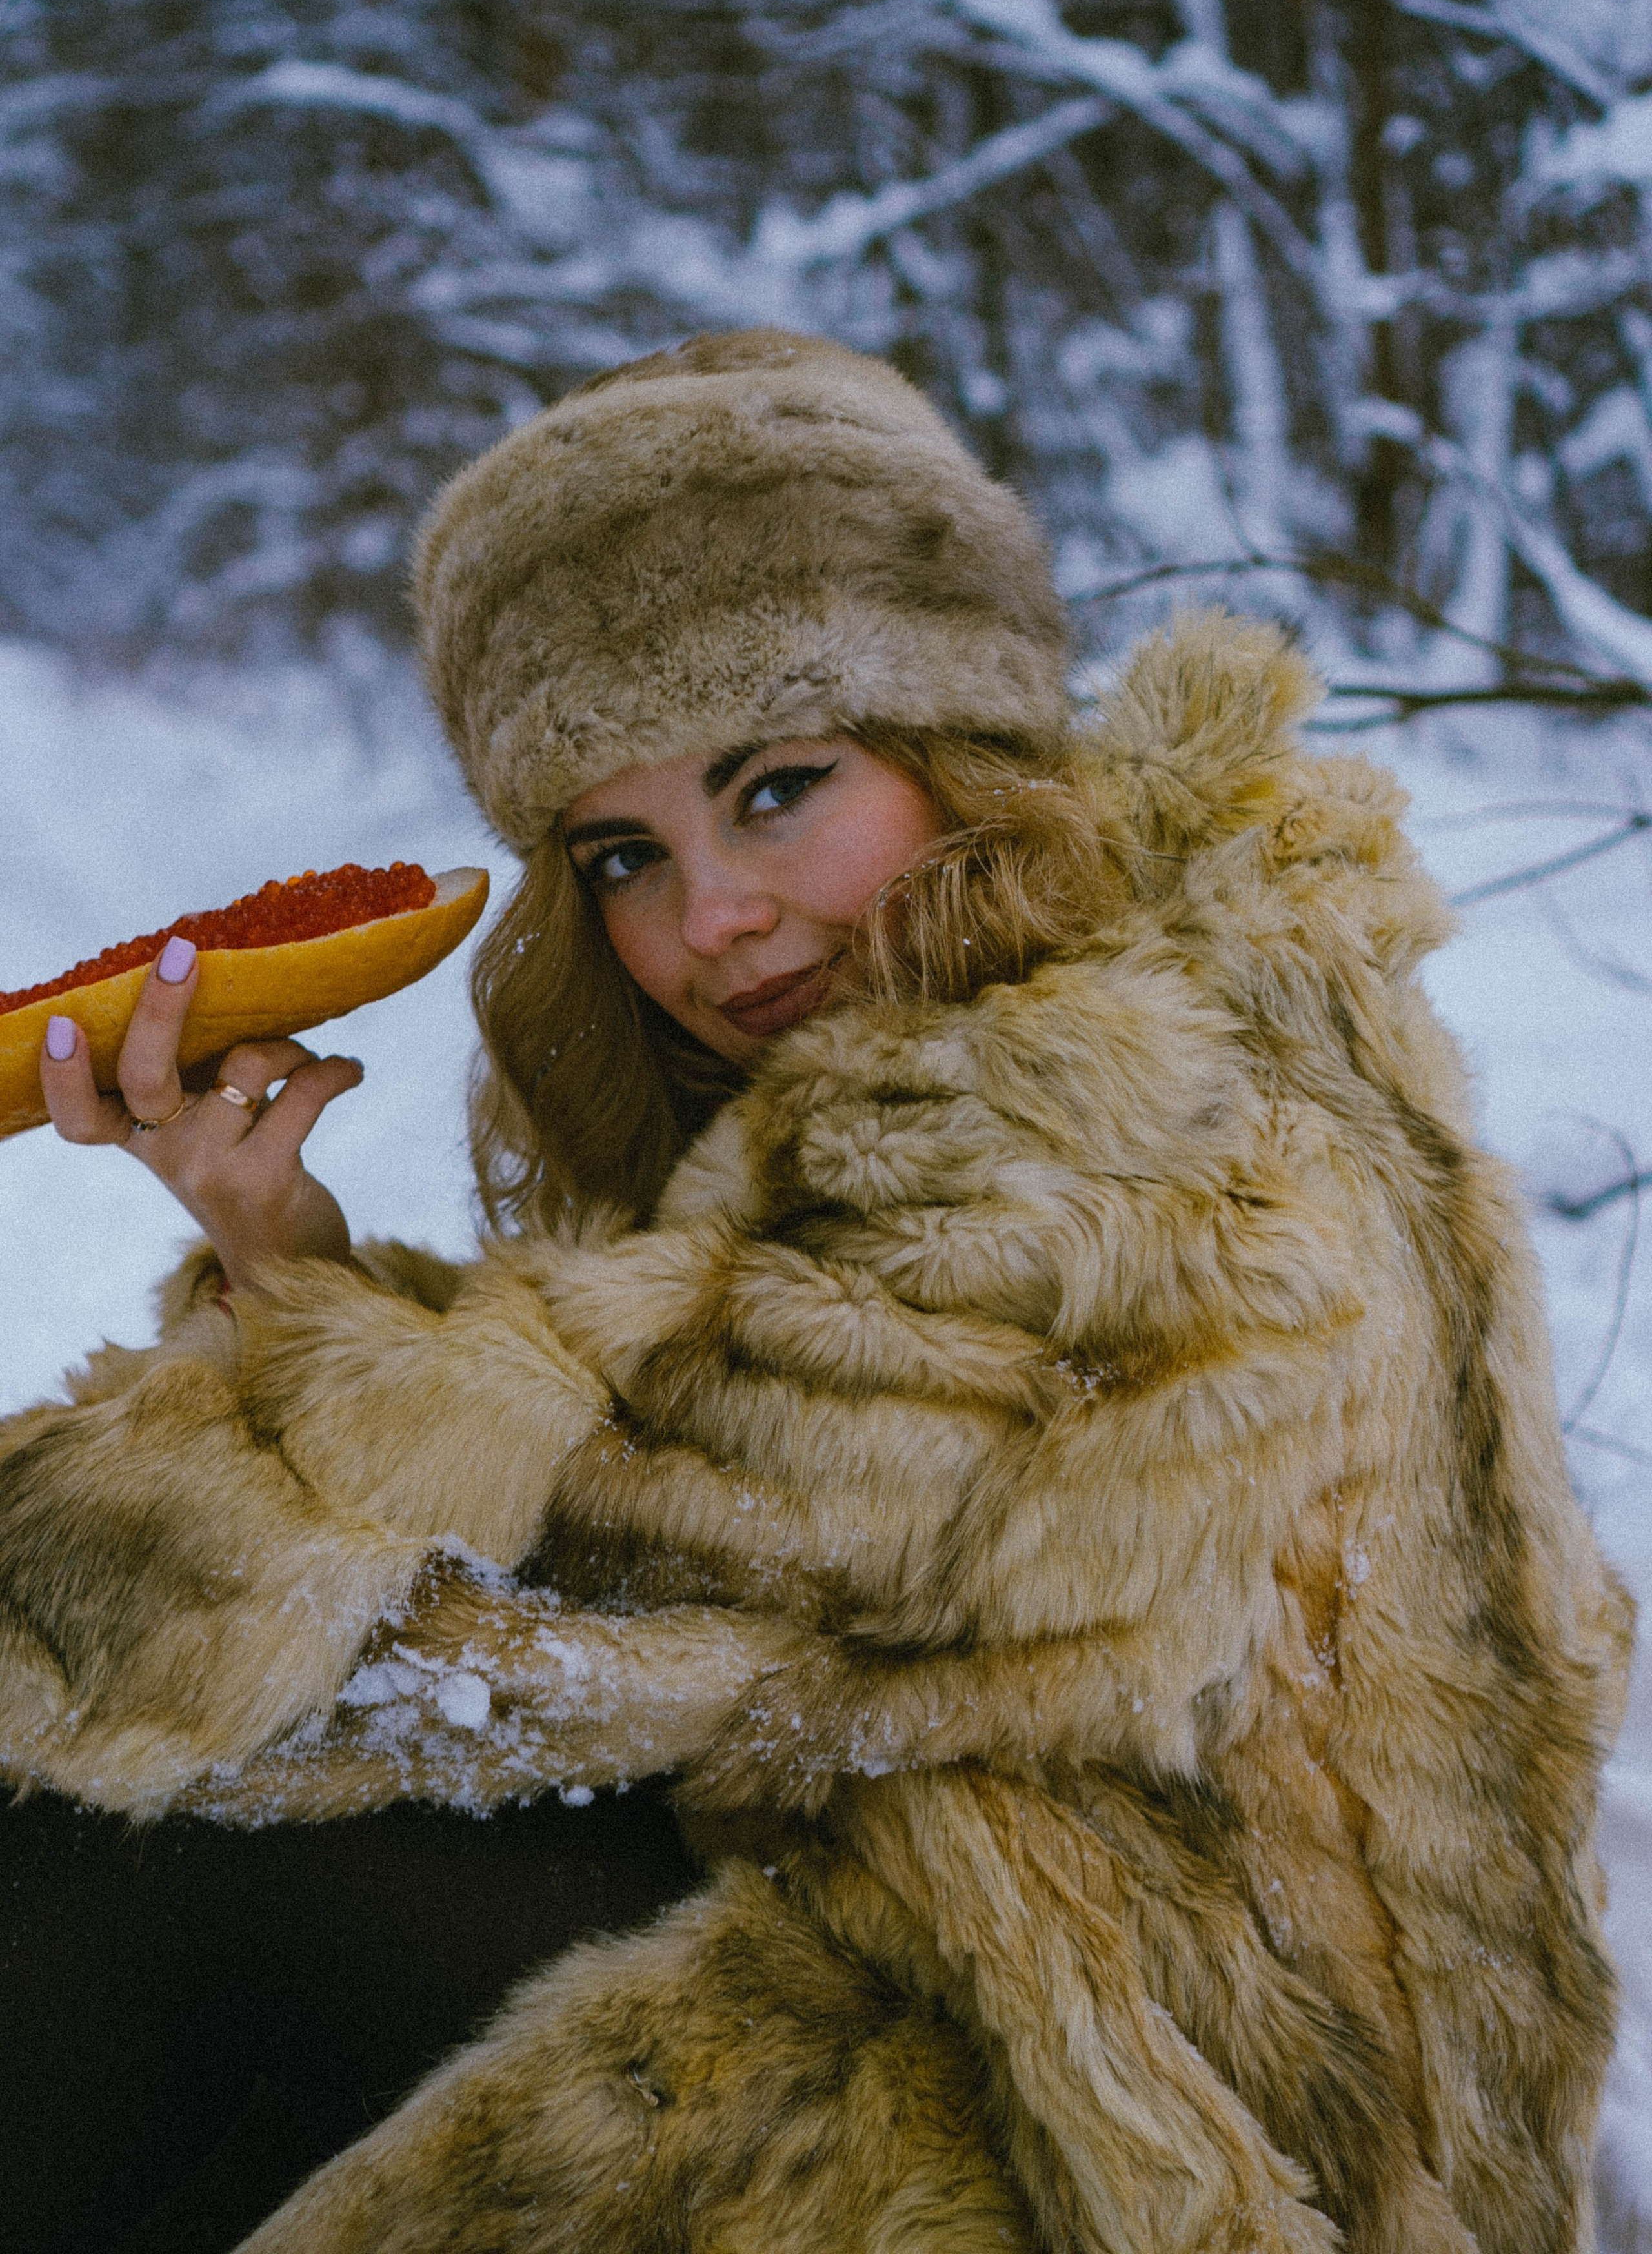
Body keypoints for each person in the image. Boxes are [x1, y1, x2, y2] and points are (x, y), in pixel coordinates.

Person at [0, 330, 1632, 2254]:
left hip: (1155, 2102)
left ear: (959, 751)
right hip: (928, 1913)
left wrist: (261, 1417)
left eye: (775, 789)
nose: (712, 918)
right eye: (625, 852)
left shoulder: (1139, 1137)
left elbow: (602, 1623)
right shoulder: (1005, 1052)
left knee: (131, 1897)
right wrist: (283, 1264)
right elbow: (610, 1542)